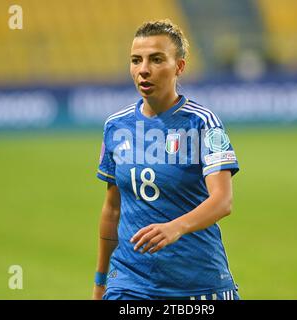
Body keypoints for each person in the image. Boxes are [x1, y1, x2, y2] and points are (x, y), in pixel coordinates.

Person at [93, 19, 241, 300]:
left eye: (156, 59)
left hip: (197, 283)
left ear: (179, 67)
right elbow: (112, 210)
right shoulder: (116, 126)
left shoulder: (203, 123)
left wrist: (176, 227)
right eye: (136, 60)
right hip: (128, 284)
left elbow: (223, 201)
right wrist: (100, 283)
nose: (143, 70)